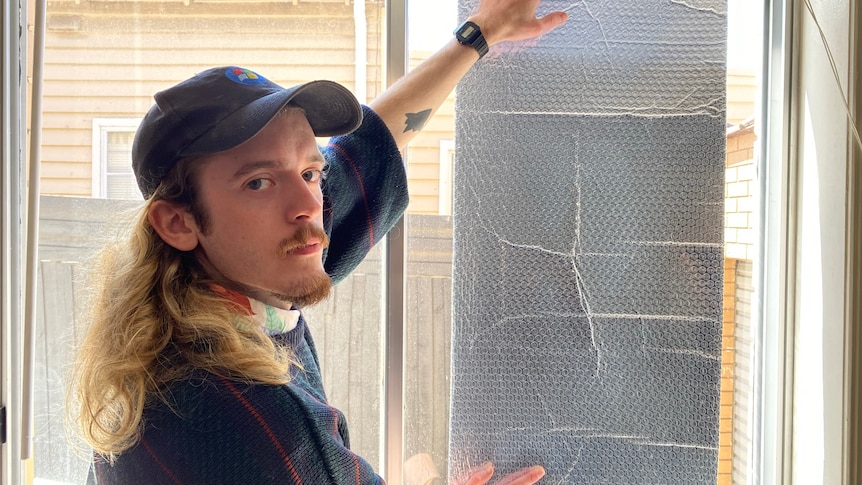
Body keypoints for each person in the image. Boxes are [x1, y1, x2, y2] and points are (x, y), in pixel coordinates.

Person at [69, 0, 568, 483]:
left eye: (310, 171)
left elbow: (373, 142)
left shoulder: (220, 286)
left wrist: (481, 31)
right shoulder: (258, 423)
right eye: (258, 182)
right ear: (178, 223)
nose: (309, 205)